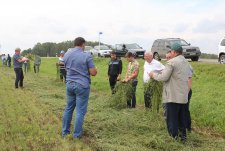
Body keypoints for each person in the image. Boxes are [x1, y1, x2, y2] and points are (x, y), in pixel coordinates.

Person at [149, 43, 190, 141]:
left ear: (175, 52)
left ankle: (173, 139)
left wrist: (153, 75)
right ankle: (183, 138)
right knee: (181, 119)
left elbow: (164, 77)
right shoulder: (186, 62)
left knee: (172, 120)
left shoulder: (171, 62)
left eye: (171, 51)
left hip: (173, 97)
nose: (170, 53)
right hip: (183, 97)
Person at [62, 37, 97, 138]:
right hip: (82, 85)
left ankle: (65, 133)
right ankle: (76, 135)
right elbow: (93, 73)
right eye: (84, 45)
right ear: (82, 44)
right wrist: (95, 69)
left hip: (69, 83)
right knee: (80, 111)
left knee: (68, 108)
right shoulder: (86, 56)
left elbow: (66, 67)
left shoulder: (67, 54)